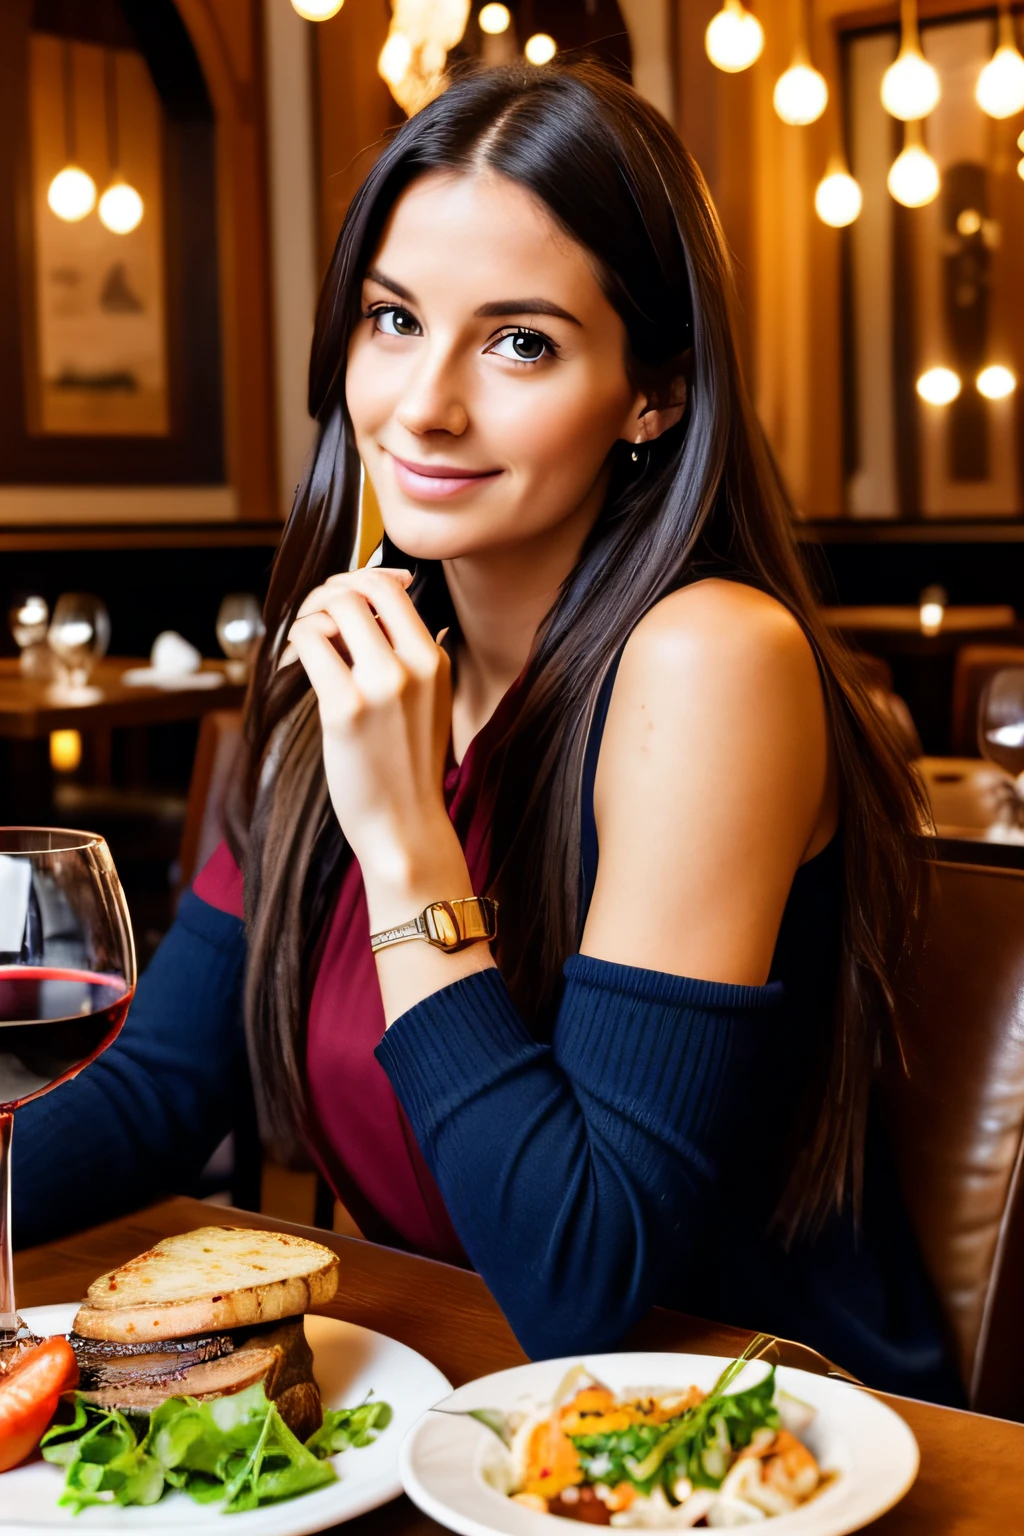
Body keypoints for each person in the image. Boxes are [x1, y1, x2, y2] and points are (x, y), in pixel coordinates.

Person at [15, 61, 960, 1403]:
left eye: (521, 341)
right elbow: (161, 1083)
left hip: (744, 1444)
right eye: (394, 319)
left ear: (657, 394)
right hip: (454, 1406)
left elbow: (583, 1282)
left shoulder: (711, 663)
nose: (424, 405)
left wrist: (406, 844)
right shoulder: (358, 661)